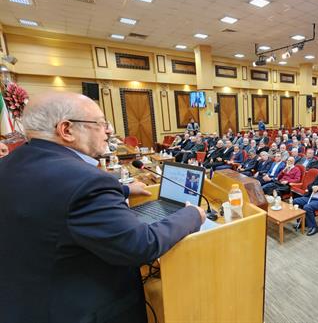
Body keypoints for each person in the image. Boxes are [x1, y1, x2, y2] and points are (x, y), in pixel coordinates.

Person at [0, 92, 206, 323]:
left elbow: (50, 197)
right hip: (76, 309)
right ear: (66, 130)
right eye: (99, 123)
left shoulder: (10, 164)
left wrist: (124, 190)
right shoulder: (86, 181)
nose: (108, 130)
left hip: (23, 299)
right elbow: (140, 244)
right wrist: (191, 214)